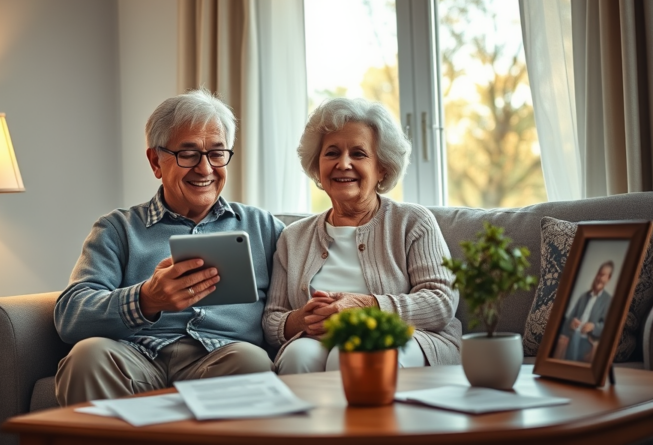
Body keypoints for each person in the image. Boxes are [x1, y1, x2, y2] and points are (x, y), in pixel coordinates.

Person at [54, 88, 284, 406]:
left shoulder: (264, 228)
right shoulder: (117, 229)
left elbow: (297, 296)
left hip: (223, 359)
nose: (205, 169)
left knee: (252, 362)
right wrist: (146, 299)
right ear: (155, 161)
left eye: (217, 153)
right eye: (187, 154)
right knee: (87, 356)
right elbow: (71, 316)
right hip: (135, 358)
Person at [262, 98, 461, 374]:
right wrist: (301, 320)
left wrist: (364, 306)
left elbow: (440, 302)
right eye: (331, 153)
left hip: (411, 337)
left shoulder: (413, 222)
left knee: (353, 354)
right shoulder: (293, 237)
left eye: (358, 154)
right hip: (318, 338)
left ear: (382, 168)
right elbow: (273, 320)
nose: (343, 164)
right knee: (297, 357)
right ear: (317, 166)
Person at [556, 261, 614, 363]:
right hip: (574, 334)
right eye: (599, 274)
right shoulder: (583, 297)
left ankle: (568, 368)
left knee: (575, 338)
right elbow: (569, 318)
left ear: (608, 279)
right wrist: (571, 323)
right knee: (571, 336)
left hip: (588, 339)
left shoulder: (608, 300)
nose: (599, 278)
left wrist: (593, 327)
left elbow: (609, 326)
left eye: (603, 275)